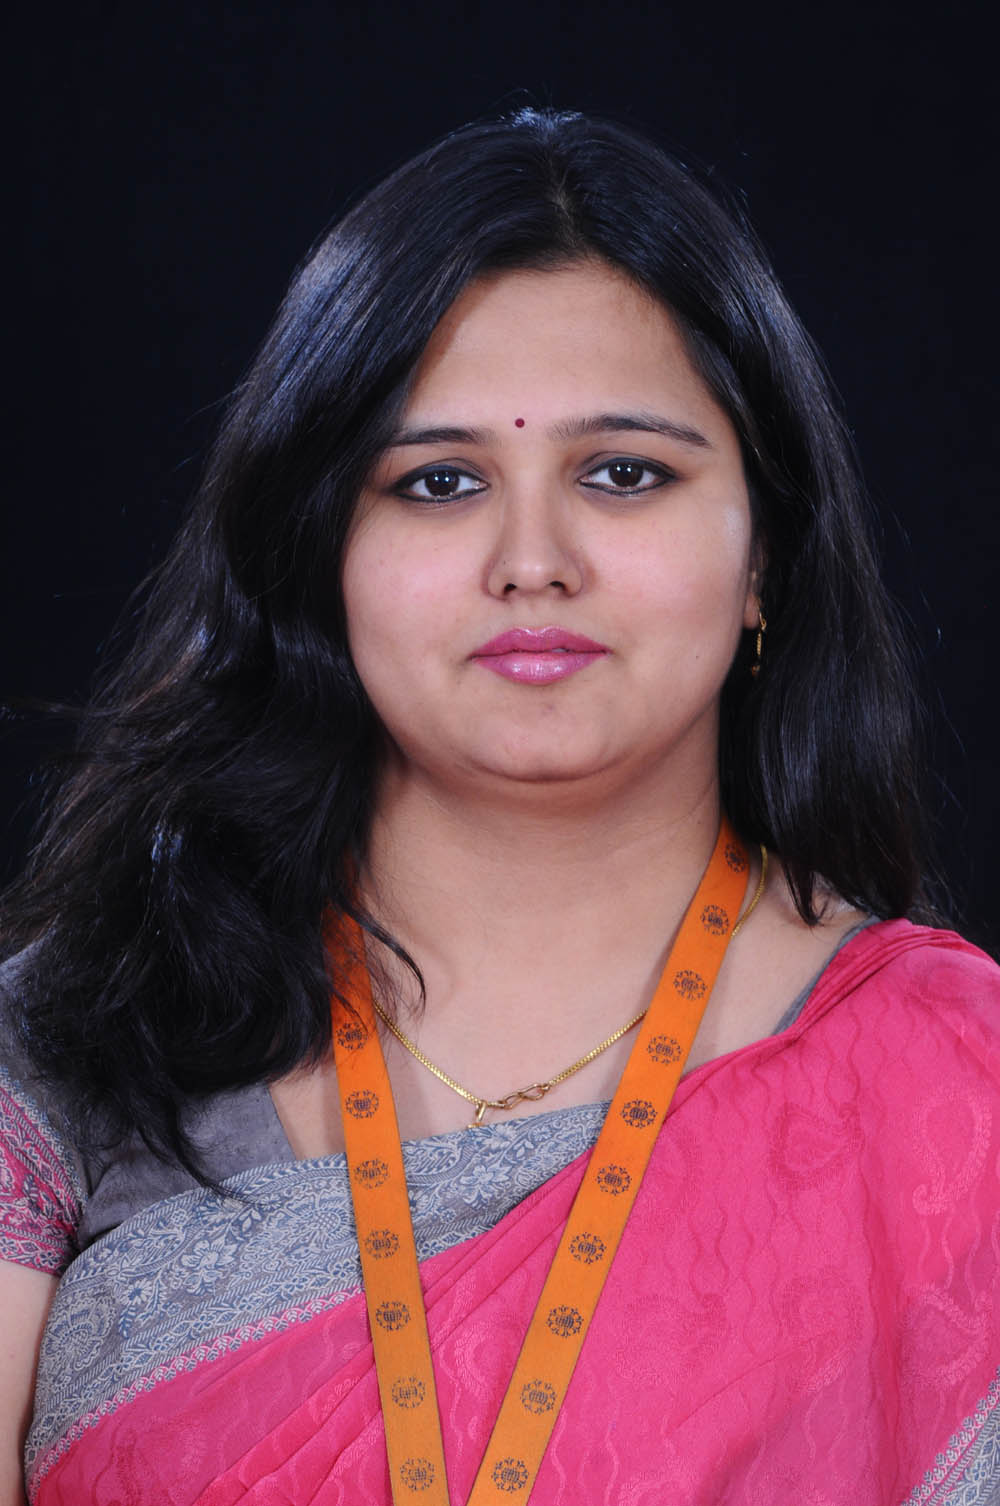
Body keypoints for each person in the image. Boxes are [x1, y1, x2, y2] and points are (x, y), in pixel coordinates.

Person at [1, 107, 997, 1506]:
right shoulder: (74, 1045)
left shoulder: (960, 1092)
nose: (532, 559)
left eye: (624, 473)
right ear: (320, 551)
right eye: (440, 482)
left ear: (765, 553)